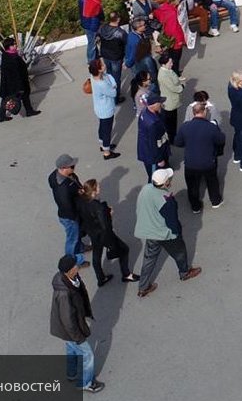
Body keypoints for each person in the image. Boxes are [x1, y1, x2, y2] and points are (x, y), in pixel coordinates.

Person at [134, 168, 202, 298]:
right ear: (165, 184)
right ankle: (184, 272)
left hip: (150, 232)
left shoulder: (146, 189)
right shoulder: (167, 200)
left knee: (149, 259)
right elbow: (172, 222)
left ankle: (143, 287)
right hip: (164, 234)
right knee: (180, 251)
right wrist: (177, 233)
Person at [49, 255, 104, 393]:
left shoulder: (72, 278)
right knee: (87, 355)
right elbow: (67, 319)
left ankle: (71, 372)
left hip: (67, 329)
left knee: (71, 349)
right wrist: (78, 337)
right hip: (70, 330)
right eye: (76, 265)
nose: (78, 266)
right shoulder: (63, 293)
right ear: (69, 270)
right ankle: (86, 383)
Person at [76, 179, 137, 285]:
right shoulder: (98, 207)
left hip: (92, 233)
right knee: (124, 249)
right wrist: (109, 214)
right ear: (94, 191)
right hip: (102, 234)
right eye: (98, 186)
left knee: (96, 255)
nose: (100, 187)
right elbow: (105, 225)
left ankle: (101, 278)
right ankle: (126, 274)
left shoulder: (83, 201)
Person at [174, 102, 226, 213]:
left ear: (193, 113)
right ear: (204, 112)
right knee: (212, 182)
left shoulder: (185, 127)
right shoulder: (211, 127)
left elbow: (178, 142)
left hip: (191, 163)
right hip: (208, 161)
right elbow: (221, 140)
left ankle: (195, 206)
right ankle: (215, 201)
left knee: (192, 185)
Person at [48, 154, 88, 267]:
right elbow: (66, 206)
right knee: (72, 239)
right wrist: (76, 215)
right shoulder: (63, 188)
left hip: (71, 214)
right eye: (72, 166)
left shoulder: (58, 176)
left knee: (76, 235)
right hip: (70, 217)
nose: (74, 167)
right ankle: (73, 262)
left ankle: (81, 247)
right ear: (64, 168)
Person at [0, 37, 39, 122]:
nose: (15, 45)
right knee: (23, 95)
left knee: (7, 98)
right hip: (16, 83)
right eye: (13, 44)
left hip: (9, 83)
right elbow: (16, 73)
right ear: (9, 47)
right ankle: (29, 111)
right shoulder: (13, 58)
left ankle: (1, 116)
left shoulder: (7, 55)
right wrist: (20, 85)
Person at [87, 60, 120, 160]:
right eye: (102, 65)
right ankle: (107, 152)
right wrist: (114, 85)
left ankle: (103, 145)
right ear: (99, 69)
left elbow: (108, 76)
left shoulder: (94, 77)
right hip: (106, 110)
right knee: (107, 131)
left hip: (99, 108)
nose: (104, 65)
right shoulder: (102, 84)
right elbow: (113, 93)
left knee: (102, 127)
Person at [137, 95, 170, 182]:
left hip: (145, 148)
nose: (161, 104)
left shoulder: (145, 111)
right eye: (159, 102)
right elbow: (153, 144)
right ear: (153, 105)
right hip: (151, 156)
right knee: (154, 178)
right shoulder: (152, 123)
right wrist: (159, 159)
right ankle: (152, 193)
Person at [96, 13, 128, 96]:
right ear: (118, 19)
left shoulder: (102, 28)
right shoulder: (121, 32)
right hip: (116, 57)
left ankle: (110, 93)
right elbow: (127, 44)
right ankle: (116, 96)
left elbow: (98, 38)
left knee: (109, 75)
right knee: (116, 77)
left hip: (105, 55)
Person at [151, 3, 184, 71]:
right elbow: (175, 28)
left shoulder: (162, 9)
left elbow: (155, 13)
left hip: (167, 37)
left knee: (171, 55)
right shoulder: (174, 12)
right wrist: (181, 40)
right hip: (176, 38)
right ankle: (176, 72)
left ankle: (172, 69)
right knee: (176, 57)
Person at [156, 55, 182, 141]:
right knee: (170, 122)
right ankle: (172, 138)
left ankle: (172, 135)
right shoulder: (164, 75)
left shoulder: (167, 70)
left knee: (172, 120)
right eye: (170, 62)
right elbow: (173, 87)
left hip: (172, 100)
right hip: (169, 101)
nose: (172, 64)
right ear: (164, 64)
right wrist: (182, 87)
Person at [124, 16, 156, 85]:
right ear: (138, 28)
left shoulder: (137, 34)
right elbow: (133, 54)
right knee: (141, 79)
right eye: (143, 25)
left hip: (140, 59)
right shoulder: (135, 41)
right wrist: (127, 64)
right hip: (136, 62)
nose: (145, 26)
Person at [79, 0, 102, 65]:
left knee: (92, 42)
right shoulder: (92, 0)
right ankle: (91, 60)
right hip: (92, 25)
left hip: (86, 23)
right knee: (92, 43)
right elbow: (97, 12)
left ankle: (95, 57)